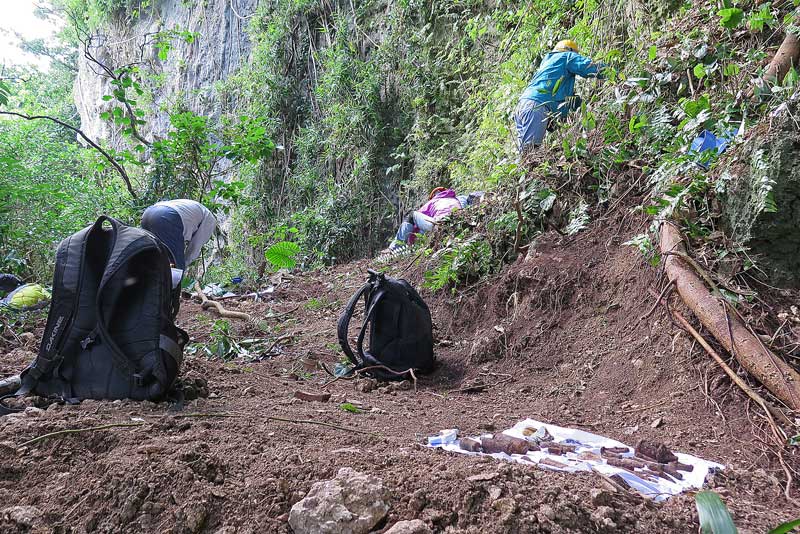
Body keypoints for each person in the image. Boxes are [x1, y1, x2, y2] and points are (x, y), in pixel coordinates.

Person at [514, 39, 605, 152]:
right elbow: (588, 66)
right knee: (530, 153)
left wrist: (583, 106)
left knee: (524, 153)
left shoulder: (548, 64)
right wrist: (610, 71)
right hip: (536, 107)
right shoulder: (566, 56)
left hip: (522, 105)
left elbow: (564, 99)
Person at [141, 199, 217, 288]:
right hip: (168, 218)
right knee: (176, 267)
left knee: (151, 257)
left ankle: (145, 291)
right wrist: (182, 264)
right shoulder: (210, 220)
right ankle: (172, 297)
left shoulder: (194, 209)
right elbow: (194, 247)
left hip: (148, 214)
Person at [389, 188, 483, 251]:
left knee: (411, 215)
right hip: (460, 222)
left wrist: (411, 243)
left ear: (433, 196)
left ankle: (393, 249)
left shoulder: (431, 203)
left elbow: (416, 226)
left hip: (440, 224)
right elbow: (473, 197)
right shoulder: (458, 199)